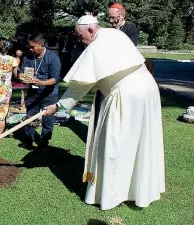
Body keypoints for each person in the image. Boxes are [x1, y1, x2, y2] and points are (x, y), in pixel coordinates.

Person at [43, 15, 164, 210]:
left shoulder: (97, 46)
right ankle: (138, 191)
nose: (78, 39)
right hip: (148, 90)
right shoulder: (116, 35)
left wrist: (57, 106)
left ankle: (112, 195)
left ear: (90, 30)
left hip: (125, 96)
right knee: (140, 141)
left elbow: (81, 85)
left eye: (78, 34)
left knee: (113, 144)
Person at [15, 32, 61, 149]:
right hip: (33, 93)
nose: (30, 49)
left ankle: (45, 142)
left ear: (41, 45)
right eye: (29, 46)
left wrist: (41, 82)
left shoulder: (53, 58)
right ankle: (28, 140)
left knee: (48, 119)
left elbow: (54, 79)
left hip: (49, 93)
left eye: (33, 47)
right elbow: (22, 73)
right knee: (30, 117)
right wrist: (22, 77)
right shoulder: (28, 57)